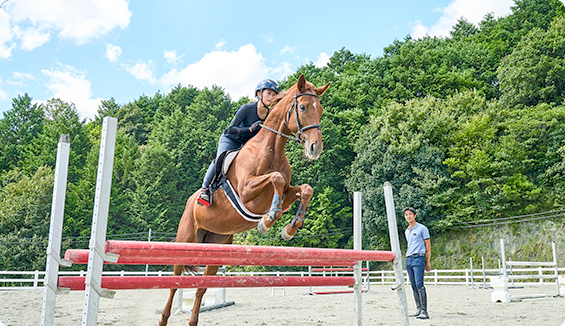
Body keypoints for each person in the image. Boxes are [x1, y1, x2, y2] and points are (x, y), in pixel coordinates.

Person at [197, 79, 281, 207]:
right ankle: (205, 189)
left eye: (274, 94)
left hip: (247, 146)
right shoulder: (247, 108)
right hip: (231, 139)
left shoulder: (270, 116)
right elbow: (231, 129)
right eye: (268, 93)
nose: (271, 97)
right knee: (221, 158)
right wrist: (250, 129)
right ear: (259, 94)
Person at [403, 206, 431, 319]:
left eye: (410, 214)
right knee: (413, 285)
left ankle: (425, 311)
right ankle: (418, 309)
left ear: (414, 215)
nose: (408, 216)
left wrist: (427, 261)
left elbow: (428, 245)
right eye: (406, 214)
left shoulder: (422, 228)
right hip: (409, 258)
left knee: (420, 284)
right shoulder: (406, 231)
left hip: (419, 258)